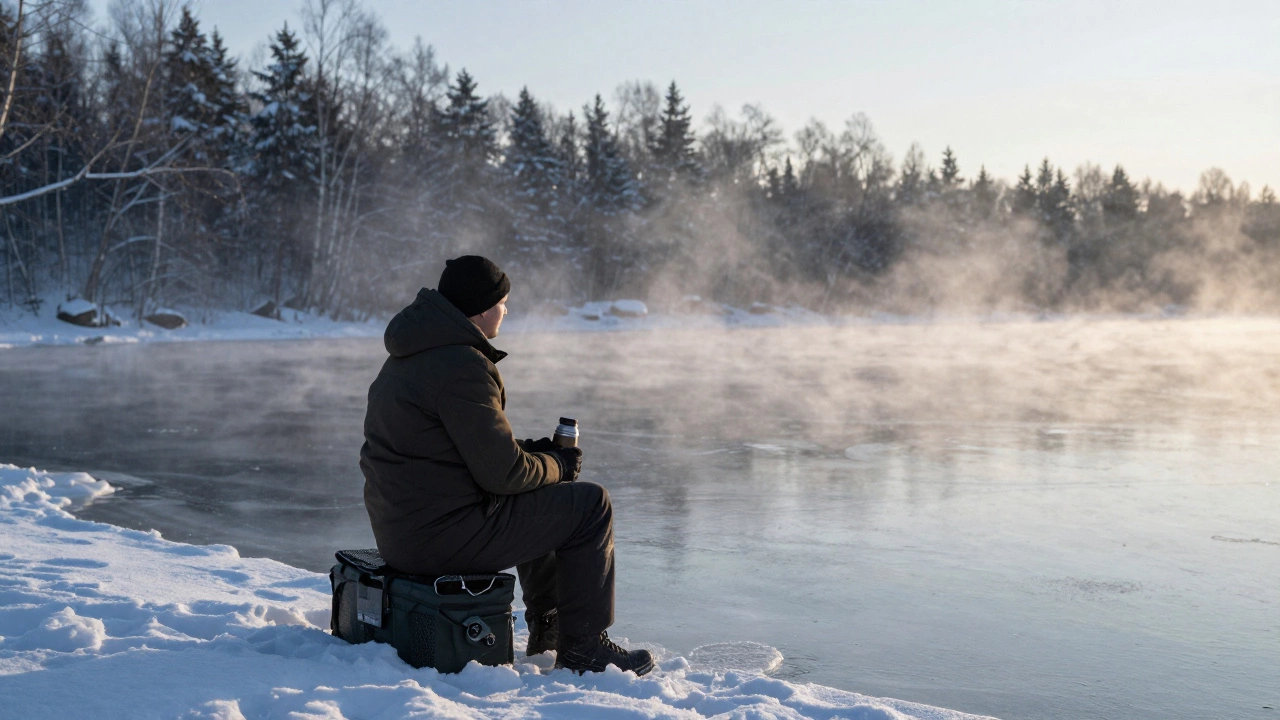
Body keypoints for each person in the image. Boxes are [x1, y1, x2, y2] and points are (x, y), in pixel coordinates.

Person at [359, 255, 654, 676]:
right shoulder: (462, 365)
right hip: (440, 540)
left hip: (405, 532)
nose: (507, 310)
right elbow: (505, 475)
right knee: (589, 505)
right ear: (481, 309)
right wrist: (559, 465)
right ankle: (585, 647)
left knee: (544, 488)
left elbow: (455, 449)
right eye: (503, 302)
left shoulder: (413, 355)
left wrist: (536, 455)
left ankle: (549, 633)